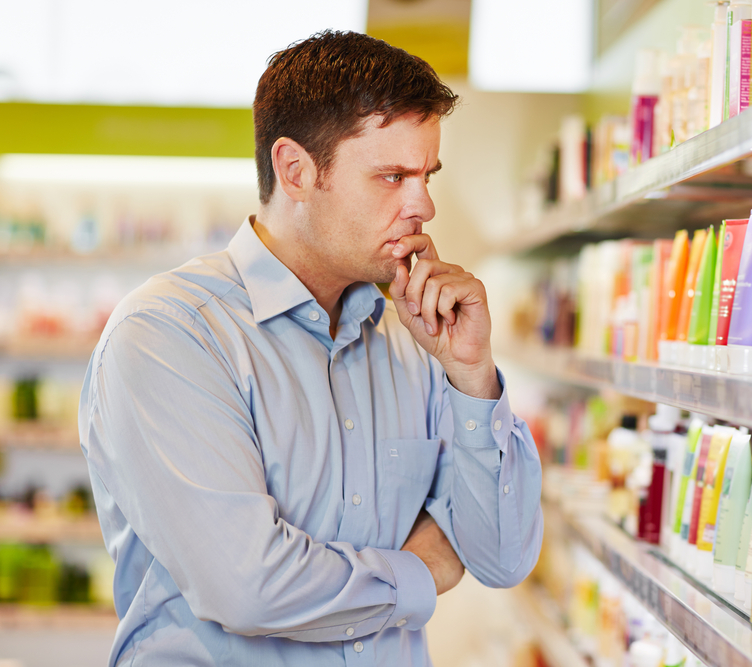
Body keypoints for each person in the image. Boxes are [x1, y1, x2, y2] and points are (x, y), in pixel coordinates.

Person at [78, 30, 543, 666]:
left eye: (426, 175)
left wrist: (470, 375)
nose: (424, 205)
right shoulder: (171, 334)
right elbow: (249, 588)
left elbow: (500, 556)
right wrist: (419, 570)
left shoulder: (417, 340)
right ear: (296, 171)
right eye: (392, 176)